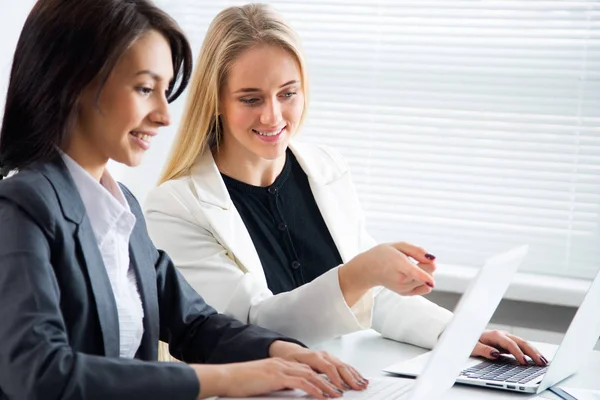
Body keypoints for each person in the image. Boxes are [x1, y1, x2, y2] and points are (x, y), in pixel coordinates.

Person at [0, 1, 370, 399]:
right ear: (74, 83)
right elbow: (40, 373)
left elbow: (194, 323)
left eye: (165, 91)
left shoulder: (120, 205)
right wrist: (227, 380)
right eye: (145, 89)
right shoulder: (21, 209)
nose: (164, 115)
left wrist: (281, 353)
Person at [145, 3, 548, 367]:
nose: (273, 116)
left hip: (346, 378)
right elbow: (251, 328)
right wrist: (358, 274)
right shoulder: (176, 206)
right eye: (251, 99)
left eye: (288, 93)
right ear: (215, 100)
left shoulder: (325, 167)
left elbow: (377, 297)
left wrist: (457, 333)